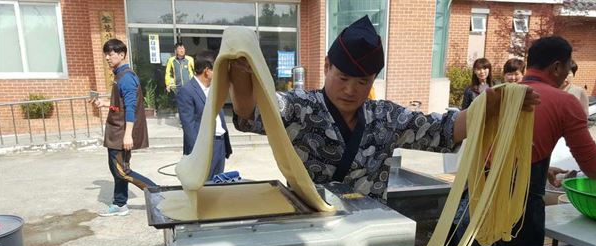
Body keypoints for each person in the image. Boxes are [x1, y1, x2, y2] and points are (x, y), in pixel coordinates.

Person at [227, 16, 538, 202]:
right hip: (309, 232)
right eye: (342, 77)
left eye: (361, 81)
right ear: (326, 67)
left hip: (370, 234)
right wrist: (241, 70)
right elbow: (251, 111)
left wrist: (498, 102)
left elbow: (449, 128)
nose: (350, 90)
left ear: (373, 79)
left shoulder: (387, 117)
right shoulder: (299, 108)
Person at [466, 36, 596, 246]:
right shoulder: (564, 102)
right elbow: (592, 166)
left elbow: (509, 148)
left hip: (478, 197)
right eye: (569, 67)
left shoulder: (498, 95)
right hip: (521, 206)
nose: (568, 74)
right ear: (557, 67)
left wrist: (544, 168)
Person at [91, 39, 157, 217]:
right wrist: (105, 103)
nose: (107, 57)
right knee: (118, 170)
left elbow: (130, 109)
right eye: (106, 53)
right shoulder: (119, 75)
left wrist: (128, 135)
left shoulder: (126, 77)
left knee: (122, 170)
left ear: (121, 55)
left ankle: (158, 193)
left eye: (111, 53)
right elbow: (119, 105)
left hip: (120, 133)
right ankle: (120, 204)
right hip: (116, 131)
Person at [176, 50, 232, 178]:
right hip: (204, 147)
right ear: (207, 71)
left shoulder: (214, 89)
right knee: (204, 186)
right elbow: (189, 126)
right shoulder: (187, 91)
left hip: (220, 143)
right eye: (217, 70)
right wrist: (198, 154)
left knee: (217, 183)